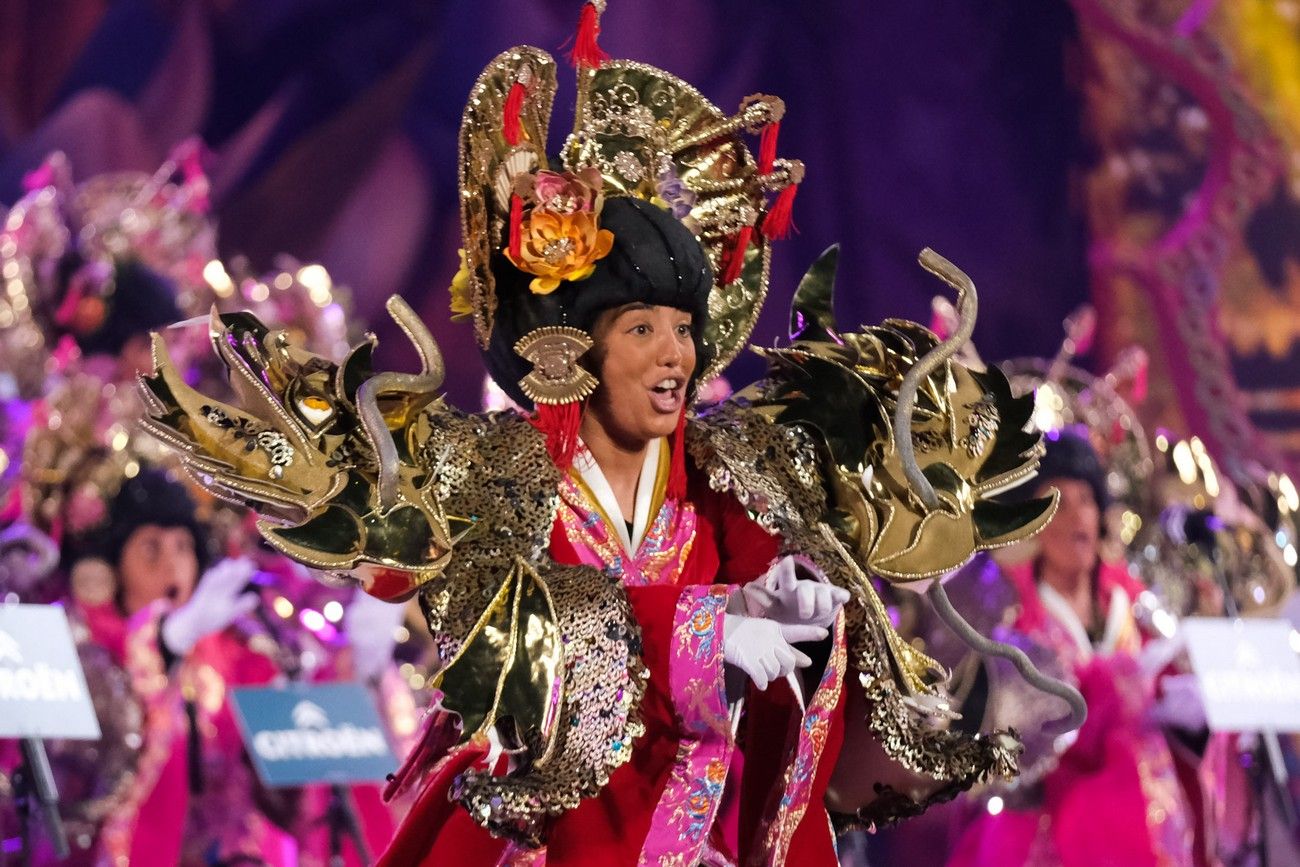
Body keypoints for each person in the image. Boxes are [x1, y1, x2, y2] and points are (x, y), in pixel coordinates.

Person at [138, 3, 1060, 863]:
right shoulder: (499, 471)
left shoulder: (726, 480)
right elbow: (508, 633)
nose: (675, 357)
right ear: (572, 346)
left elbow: (813, 638)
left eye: (686, 330)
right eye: (642, 330)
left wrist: (811, 616)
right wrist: (705, 628)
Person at [948, 430, 1199, 867]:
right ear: (1031, 521)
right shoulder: (1009, 615)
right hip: (1045, 822)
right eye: (1057, 501)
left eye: (1086, 500)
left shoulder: (1135, 605)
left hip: (1148, 814)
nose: (1076, 516)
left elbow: (1177, 679)